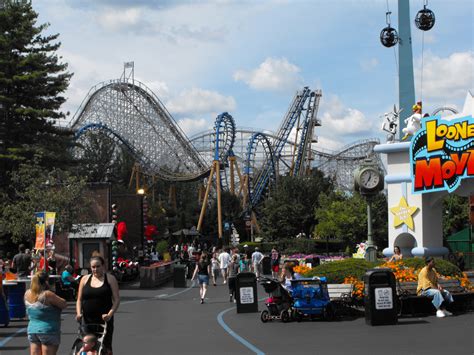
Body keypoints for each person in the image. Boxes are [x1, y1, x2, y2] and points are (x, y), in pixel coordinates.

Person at [76, 256, 120, 355]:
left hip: (104, 320)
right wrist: (79, 313)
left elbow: (116, 300)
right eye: (93, 267)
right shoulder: (85, 279)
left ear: (103, 266)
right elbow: (79, 299)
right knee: (87, 348)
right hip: (87, 320)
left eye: (98, 266)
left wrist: (110, 314)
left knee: (104, 348)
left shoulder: (110, 279)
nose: (95, 269)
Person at [24, 271, 67, 355]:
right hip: (48, 330)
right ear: (46, 281)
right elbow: (63, 304)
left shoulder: (27, 293)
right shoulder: (47, 295)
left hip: (32, 330)